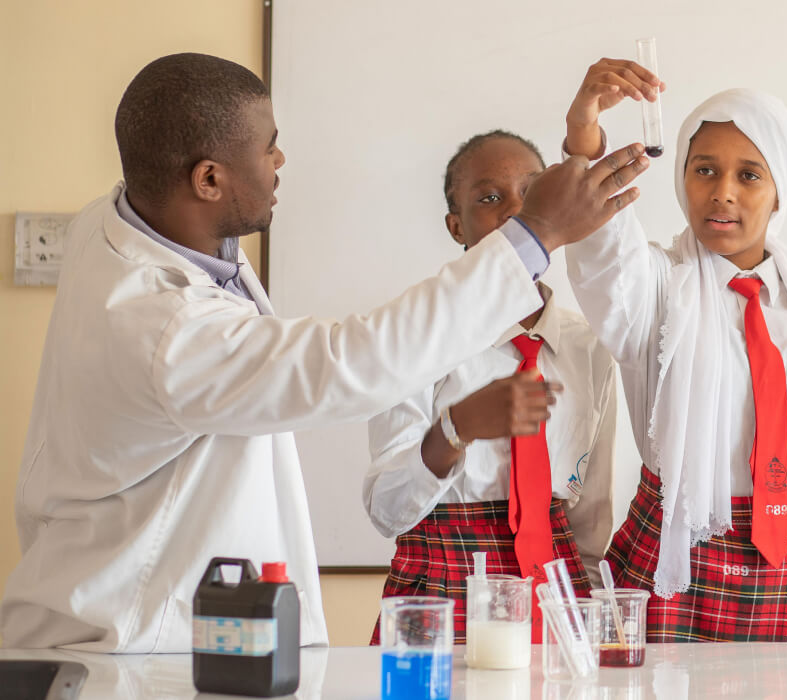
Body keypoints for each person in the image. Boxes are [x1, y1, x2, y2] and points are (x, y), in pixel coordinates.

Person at [0, 52, 648, 652]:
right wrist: (533, 233)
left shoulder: (124, 227)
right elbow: (355, 363)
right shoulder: (164, 331)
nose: (280, 161)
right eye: (269, 146)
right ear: (208, 179)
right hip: (135, 644)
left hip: (163, 625)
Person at [563, 60, 787, 642]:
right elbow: (604, 250)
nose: (723, 193)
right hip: (677, 561)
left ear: (782, 186)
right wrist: (584, 135)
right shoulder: (659, 288)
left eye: (749, 175)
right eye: (704, 169)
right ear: (681, 178)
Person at [363, 130, 617, 643]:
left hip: (557, 584)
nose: (514, 211)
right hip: (441, 582)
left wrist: (591, 614)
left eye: (531, 190)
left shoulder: (588, 345)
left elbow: (589, 514)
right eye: (489, 198)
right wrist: (456, 429)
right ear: (456, 226)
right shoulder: (417, 333)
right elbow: (388, 511)